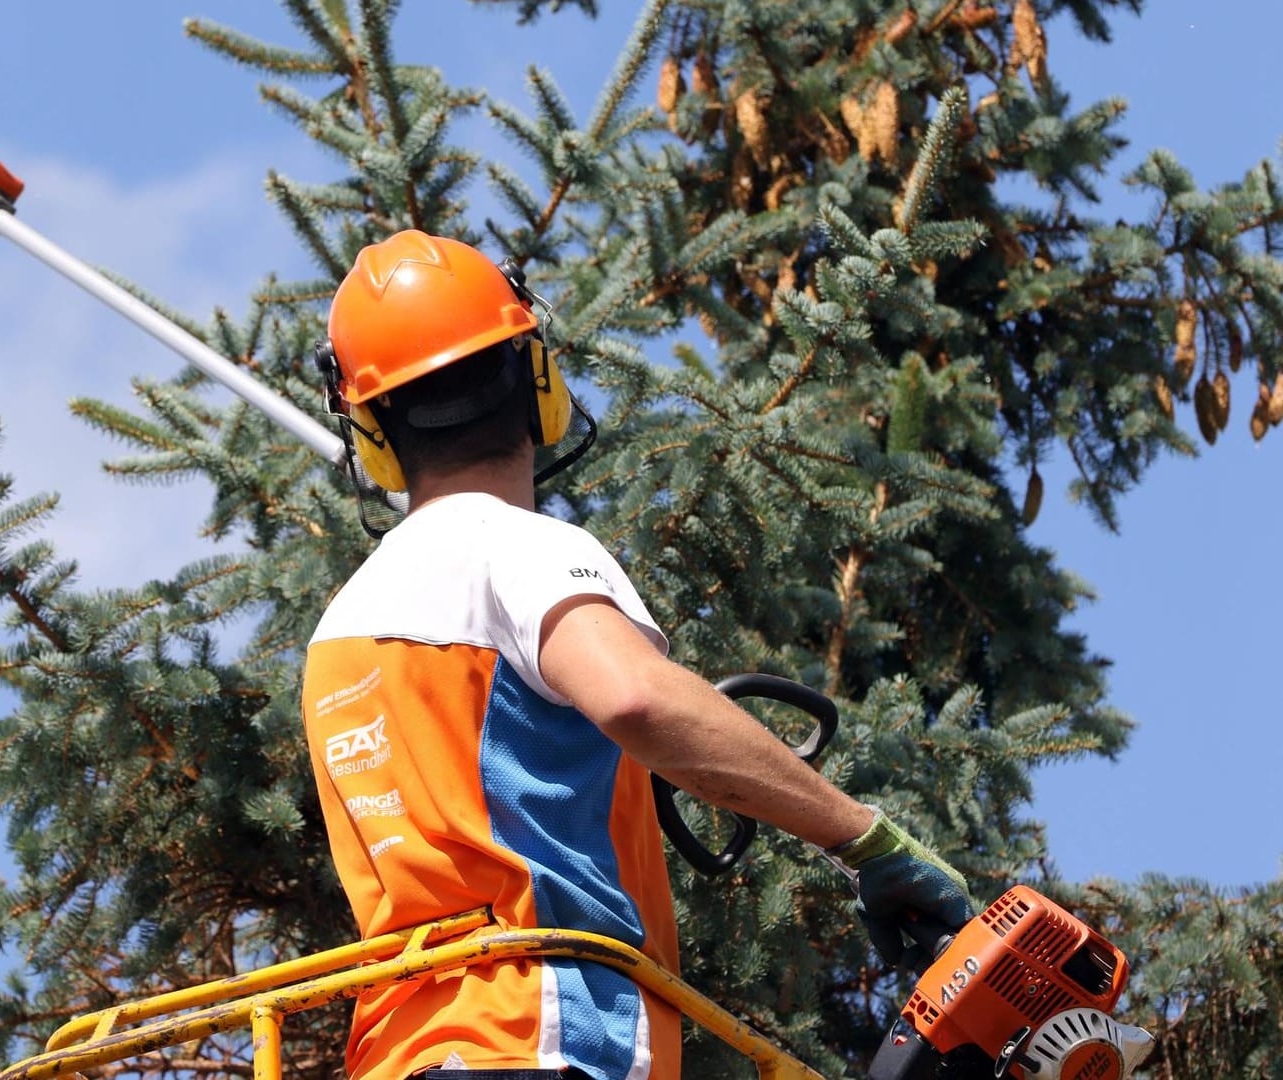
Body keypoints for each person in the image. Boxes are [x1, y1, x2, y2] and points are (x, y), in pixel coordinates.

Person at [302, 230, 971, 1080]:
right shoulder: (519, 548)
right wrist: (866, 842)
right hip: (542, 1038)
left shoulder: (340, 632)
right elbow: (634, 699)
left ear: (371, 432)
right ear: (535, 379)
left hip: (403, 1056)